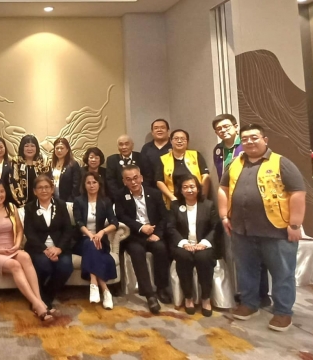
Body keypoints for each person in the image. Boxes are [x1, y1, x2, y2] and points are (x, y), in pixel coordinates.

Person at [218, 124, 306, 332]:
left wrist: (295, 224)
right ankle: (249, 304)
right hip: (241, 230)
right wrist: (224, 216)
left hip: (277, 230)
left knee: (282, 273)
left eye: (254, 137)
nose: (249, 142)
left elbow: (298, 193)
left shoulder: (281, 162)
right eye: (245, 139)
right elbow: (223, 188)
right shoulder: (235, 163)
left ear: (265, 140)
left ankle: (283, 312)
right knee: (246, 270)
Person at [212, 114, 270, 308]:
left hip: (253, 205)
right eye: (219, 129)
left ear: (236, 126)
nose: (223, 130)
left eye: (226, 126)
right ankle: (246, 294)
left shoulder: (246, 146)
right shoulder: (218, 150)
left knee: (258, 253)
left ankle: (263, 294)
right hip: (232, 205)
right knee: (241, 254)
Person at [0, 179, 53, 323]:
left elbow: (19, 230)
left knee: (26, 257)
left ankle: (39, 300)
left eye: (2, 191)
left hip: (11, 248)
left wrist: (17, 245)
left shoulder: (11, 208)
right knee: (15, 265)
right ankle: (37, 304)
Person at [115, 164, 171, 314]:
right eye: (128, 179)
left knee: (161, 248)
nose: (133, 182)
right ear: (124, 181)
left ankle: (161, 288)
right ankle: (149, 295)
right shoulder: (120, 195)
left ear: (141, 178)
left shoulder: (154, 193)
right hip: (134, 235)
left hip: (153, 233)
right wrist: (140, 227)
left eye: (135, 178)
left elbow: (164, 216)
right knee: (137, 252)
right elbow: (121, 217)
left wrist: (157, 234)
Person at [167, 174, 218, 317]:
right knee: (184, 257)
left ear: (198, 188)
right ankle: (188, 297)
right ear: (180, 190)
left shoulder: (208, 205)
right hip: (183, 245)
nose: (189, 190)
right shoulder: (176, 206)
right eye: (185, 187)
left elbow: (216, 228)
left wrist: (204, 243)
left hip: (203, 244)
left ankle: (206, 299)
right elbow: (171, 228)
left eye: (192, 186)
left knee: (203, 258)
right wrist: (183, 243)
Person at [23, 175, 73, 312]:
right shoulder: (29, 208)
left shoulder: (61, 205)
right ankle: (39, 298)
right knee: (44, 265)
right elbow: (29, 232)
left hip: (59, 247)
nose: (43, 190)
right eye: (40, 188)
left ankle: (45, 297)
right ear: (34, 191)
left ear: (52, 189)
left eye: (46, 187)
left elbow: (68, 230)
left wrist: (59, 248)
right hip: (38, 248)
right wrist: (45, 249)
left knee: (66, 266)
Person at [73, 171, 118, 310]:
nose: (91, 185)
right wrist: (90, 235)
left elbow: (114, 223)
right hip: (82, 240)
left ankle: (95, 286)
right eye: (88, 183)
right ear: (84, 185)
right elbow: (79, 223)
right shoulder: (78, 201)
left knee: (93, 247)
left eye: (94, 182)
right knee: (89, 243)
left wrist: (101, 232)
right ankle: (105, 290)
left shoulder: (105, 201)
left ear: (99, 184)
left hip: (100, 241)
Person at [155, 129, 210, 207]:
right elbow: (159, 181)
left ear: (187, 142)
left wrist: (202, 196)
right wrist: (172, 198)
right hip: (174, 200)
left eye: (183, 139)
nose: (179, 141)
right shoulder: (163, 159)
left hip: (196, 198)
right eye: (176, 138)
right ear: (171, 141)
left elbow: (205, 176)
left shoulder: (195, 155)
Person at [106, 135, 152, 200]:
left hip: (141, 195)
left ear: (132, 145)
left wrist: (140, 192)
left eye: (127, 144)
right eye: (121, 144)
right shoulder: (112, 160)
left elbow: (147, 177)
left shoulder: (142, 157)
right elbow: (111, 180)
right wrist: (119, 195)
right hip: (120, 196)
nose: (124, 147)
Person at [10, 135, 52, 206]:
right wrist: (21, 201)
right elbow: (14, 182)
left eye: (32, 146)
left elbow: (49, 180)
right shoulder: (16, 161)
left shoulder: (44, 160)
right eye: (26, 146)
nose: (30, 149)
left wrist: (45, 198)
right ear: (22, 148)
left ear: (37, 148)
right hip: (21, 202)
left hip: (42, 201)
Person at [50, 138, 82, 202]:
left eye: (62, 148)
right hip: (53, 199)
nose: (59, 150)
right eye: (57, 148)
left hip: (68, 200)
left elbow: (76, 185)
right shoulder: (51, 164)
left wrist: (71, 200)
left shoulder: (73, 164)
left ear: (67, 150)